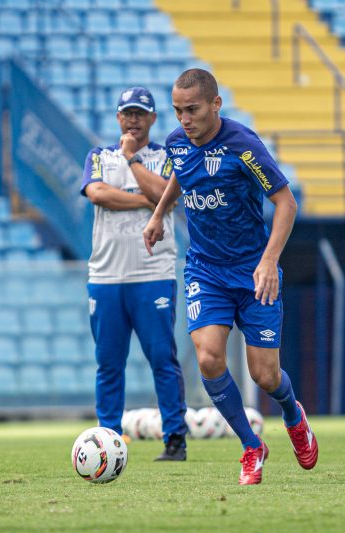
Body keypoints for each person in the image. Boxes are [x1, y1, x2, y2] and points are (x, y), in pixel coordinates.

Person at [143, 68, 318, 486]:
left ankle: (294, 415)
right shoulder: (176, 143)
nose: (184, 119)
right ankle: (250, 446)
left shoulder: (244, 146)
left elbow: (286, 203)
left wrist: (269, 261)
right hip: (205, 269)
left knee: (265, 375)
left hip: (254, 271)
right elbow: (179, 177)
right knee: (207, 357)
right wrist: (158, 215)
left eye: (193, 109)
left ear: (215, 105)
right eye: (178, 111)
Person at [81, 86, 188, 461]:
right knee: (108, 362)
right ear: (117, 118)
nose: (133, 119)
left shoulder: (166, 156)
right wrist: (147, 200)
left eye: (140, 113)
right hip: (106, 276)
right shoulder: (99, 156)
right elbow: (97, 193)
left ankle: (175, 438)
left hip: (153, 272)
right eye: (127, 113)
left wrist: (132, 162)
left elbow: (168, 193)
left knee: (162, 357)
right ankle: (108, 439)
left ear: (153, 119)